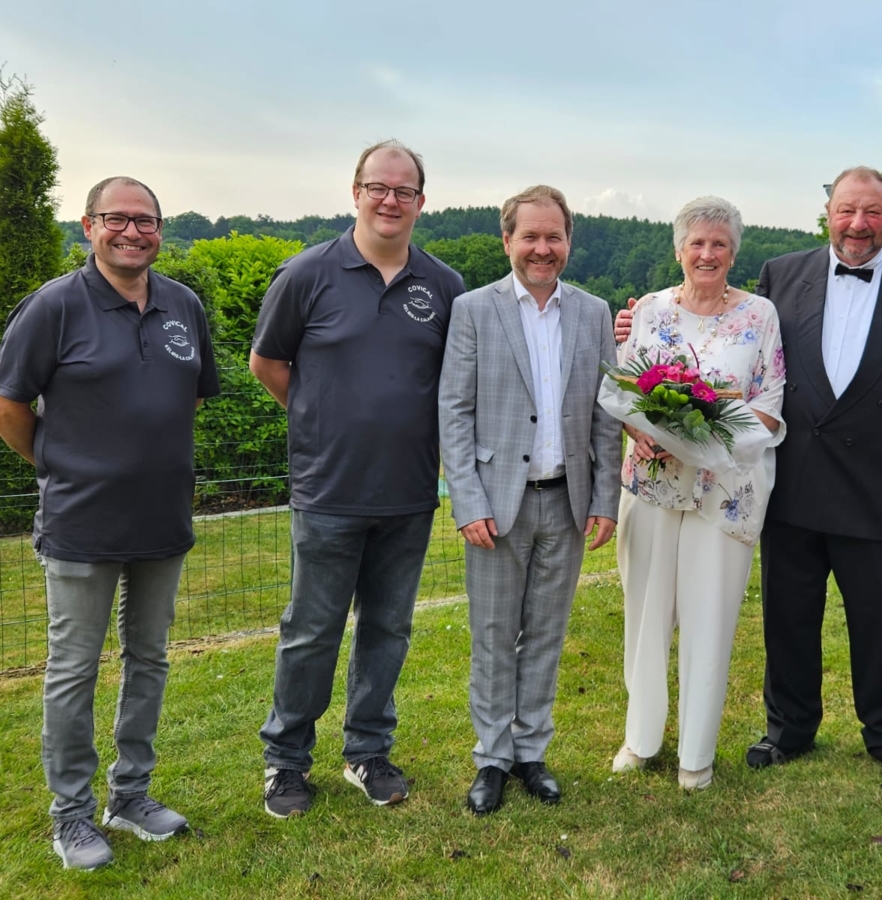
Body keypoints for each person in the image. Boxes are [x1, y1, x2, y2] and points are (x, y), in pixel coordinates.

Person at [614, 166, 882, 786]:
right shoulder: (784, 276)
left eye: (873, 212)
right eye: (848, 210)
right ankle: (788, 729)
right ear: (827, 212)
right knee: (788, 615)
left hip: (878, 483)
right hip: (797, 480)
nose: (859, 225)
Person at [0, 177, 219, 869]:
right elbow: (10, 406)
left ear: (161, 230)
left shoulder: (184, 304)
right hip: (81, 524)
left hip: (162, 521)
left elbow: (189, 400)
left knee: (149, 659)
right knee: (72, 670)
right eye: (117, 219)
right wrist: (66, 464)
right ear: (89, 225)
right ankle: (70, 816)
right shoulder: (55, 307)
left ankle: (129, 797)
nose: (133, 231)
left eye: (147, 220)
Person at [250, 140, 465, 818]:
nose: (390, 200)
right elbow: (268, 364)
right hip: (329, 489)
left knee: (387, 631)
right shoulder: (307, 274)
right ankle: (286, 762)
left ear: (422, 202)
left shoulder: (444, 285)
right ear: (355, 192)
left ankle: (367, 751)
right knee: (311, 631)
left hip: (409, 492)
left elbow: (454, 382)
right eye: (379, 187)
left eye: (404, 190)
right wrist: (326, 418)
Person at [439, 185, 622, 815]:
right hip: (496, 505)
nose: (542, 248)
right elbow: (454, 411)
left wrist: (605, 499)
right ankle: (491, 757)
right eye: (530, 236)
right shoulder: (474, 309)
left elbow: (607, 415)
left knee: (546, 633)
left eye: (554, 236)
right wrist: (467, 500)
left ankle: (531, 751)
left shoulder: (593, 313)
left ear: (569, 240)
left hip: (566, 503)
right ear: (508, 240)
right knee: (494, 635)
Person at [610, 197, 785, 791]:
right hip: (653, 483)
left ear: (735, 251)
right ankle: (641, 737)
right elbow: (625, 387)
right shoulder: (650, 310)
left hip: (724, 489)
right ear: (679, 249)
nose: (708, 253)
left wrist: (707, 439)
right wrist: (645, 432)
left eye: (720, 243)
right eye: (697, 243)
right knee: (646, 613)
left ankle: (696, 755)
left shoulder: (759, 315)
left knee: (710, 617)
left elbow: (768, 406)